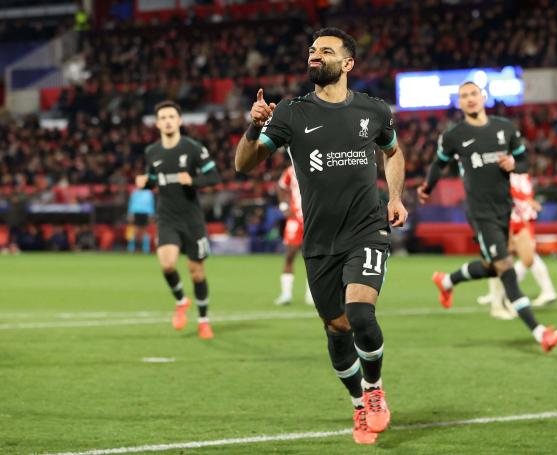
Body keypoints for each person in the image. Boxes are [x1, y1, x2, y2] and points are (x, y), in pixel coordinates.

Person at [235, 28, 408, 445]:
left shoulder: (374, 110)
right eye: (312, 49)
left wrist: (396, 197)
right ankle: (357, 405)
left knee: (361, 314)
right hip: (319, 241)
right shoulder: (292, 114)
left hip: (367, 229)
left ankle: (374, 389)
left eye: (325, 51)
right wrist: (250, 127)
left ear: (347, 64)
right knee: (337, 328)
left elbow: (394, 151)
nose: (315, 55)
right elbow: (245, 164)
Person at [417, 81, 557, 353]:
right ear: (459, 103)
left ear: (482, 97)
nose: (470, 99)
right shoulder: (454, 135)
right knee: (507, 270)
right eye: (464, 96)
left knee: (493, 265)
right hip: (480, 214)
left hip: (505, 210)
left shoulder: (504, 129)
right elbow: (439, 164)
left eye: (474, 94)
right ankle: (540, 332)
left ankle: (447, 281)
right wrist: (427, 187)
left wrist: (513, 164)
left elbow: (524, 162)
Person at [135, 100, 220, 339]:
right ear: (157, 123)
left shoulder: (193, 148)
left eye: (172, 116)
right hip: (166, 218)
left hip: (192, 219)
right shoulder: (152, 152)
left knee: (197, 273)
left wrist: (192, 180)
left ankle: (204, 320)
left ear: (180, 121)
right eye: (163, 118)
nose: (168, 121)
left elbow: (214, 177)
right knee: (167, 264)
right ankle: (182, 300)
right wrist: (146, 182)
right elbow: (154, 178)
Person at [478, 172, 557, 318]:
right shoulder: (514, 172)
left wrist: (527, 201)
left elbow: (514, 191)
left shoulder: (517, 173)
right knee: (507, 255)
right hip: (512, 214)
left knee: (520, 257)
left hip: (517, 216)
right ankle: (502, 294)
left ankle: (504, 293)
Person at [274, 164, 314, 306]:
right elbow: (280, 187)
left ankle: (311, 294)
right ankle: (286, 294)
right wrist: (284, 206)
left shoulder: (317, 165)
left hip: (313, 217)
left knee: (313, 257)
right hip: (295, 218)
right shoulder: (291, 170)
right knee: (290, 254)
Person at [126, 187, 155, 254]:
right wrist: (130, 214)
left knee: (144, 231)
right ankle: (131, 248)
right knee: (135, 231)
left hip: (145, 213)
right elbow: (131, 203)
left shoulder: (149, 193)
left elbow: (151, 204)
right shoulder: (134, 192)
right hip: (136, 213)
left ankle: (146, 249)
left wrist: (151, 215)